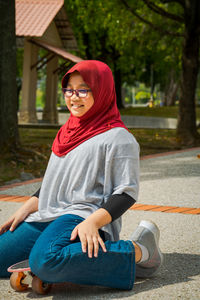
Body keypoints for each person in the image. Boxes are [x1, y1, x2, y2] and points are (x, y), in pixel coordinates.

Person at [0, 60, 163, 290]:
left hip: (82, 217)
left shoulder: (119, 138)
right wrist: (27, 207)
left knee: (46, 260)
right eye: (69, 90)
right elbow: (58, 181)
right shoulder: (67, 131)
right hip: (49, 213)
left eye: (83, 90)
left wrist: (93, 222)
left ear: (101, 90)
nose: (74, 97)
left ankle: (140, 250)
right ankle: (57, 261)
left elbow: (126, 193)